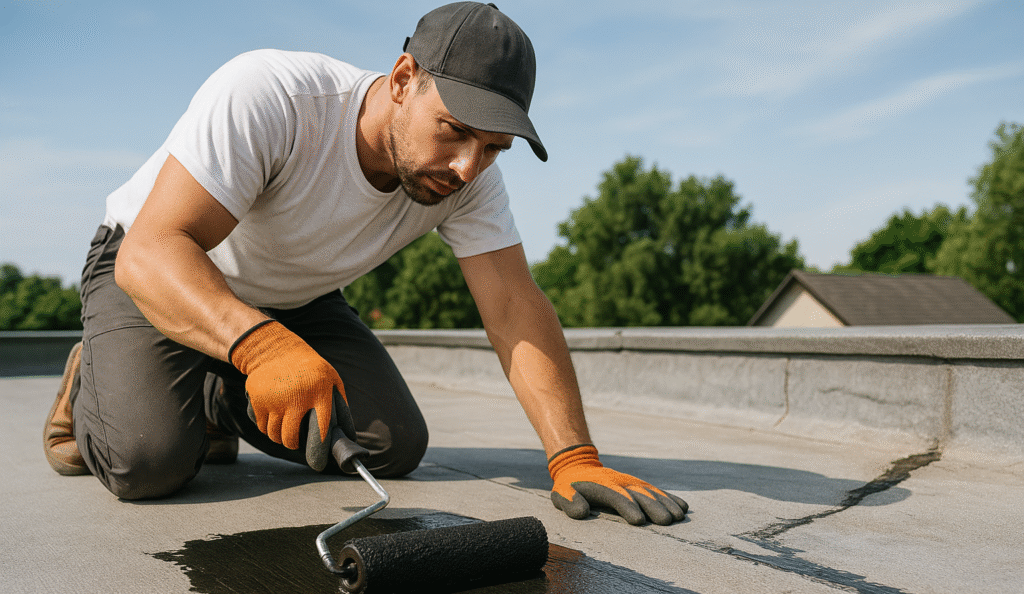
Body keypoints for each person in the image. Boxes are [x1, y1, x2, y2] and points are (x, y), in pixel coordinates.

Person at [42, 2, 687, 525]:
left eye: (493, 148)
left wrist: (572, 455)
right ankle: (94, 371)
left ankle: (210, 390)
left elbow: (515, 306)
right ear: (404, 79)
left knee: (392, 445)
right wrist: (264, 350)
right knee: (149, 461)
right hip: (157, 274)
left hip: (296, 300)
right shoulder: (275, 96)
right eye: (455, 130)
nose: (467, 167)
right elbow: (154, 249)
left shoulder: (467, 178)